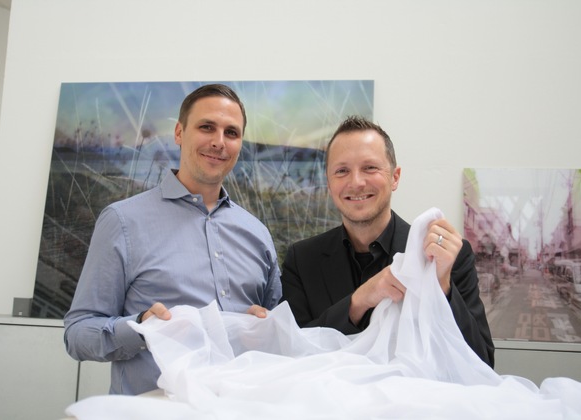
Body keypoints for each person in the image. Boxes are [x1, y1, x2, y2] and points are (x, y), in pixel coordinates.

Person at [64, 84, 282, 395]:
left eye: (231, 133)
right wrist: (142, 328)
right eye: (207, 127)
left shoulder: (257, 233)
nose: (219, 142)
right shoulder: (123, 221)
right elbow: (77, 334)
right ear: (179, 133)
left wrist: (264, 328)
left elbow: (274, 330)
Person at [281, 116, 494, 367]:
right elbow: (291, 355)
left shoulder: (446, 257)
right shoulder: (301, 260)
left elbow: (482, 362)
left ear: (395, 177)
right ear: (329, 184)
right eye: (342, 171)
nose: (356, 182)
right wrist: (358, 301)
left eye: (370, 167)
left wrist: (441, 288)